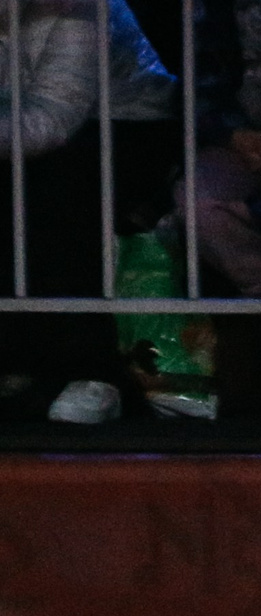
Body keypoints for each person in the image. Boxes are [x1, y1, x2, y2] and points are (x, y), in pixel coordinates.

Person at [0, 0, 177, 424]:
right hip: (25, 131)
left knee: (53, 194)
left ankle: (93, 375)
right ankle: (17, 365)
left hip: (125, 129)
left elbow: (52, 121)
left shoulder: (82, 9)